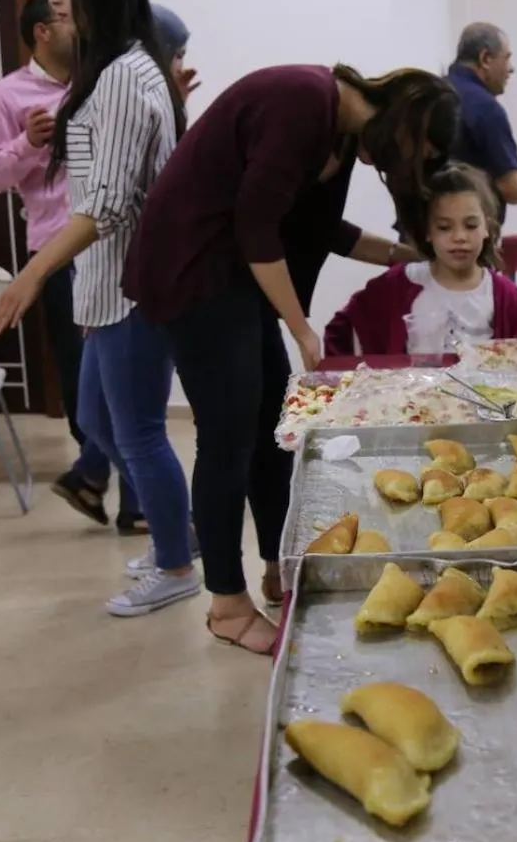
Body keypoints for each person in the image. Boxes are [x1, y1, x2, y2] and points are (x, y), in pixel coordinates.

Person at [123, 64, 459, 655]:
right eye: (412, 153)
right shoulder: (304, 102)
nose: (400, 168)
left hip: (232, 276)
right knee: (227, 439)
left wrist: (406, 256)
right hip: (195, 270)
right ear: (405, 120)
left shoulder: (341, 132)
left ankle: (280, 566)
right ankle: (226, 605)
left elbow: (318, 227)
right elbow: (256, 224)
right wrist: (301, 328)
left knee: (271, 427)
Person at [0, 0, 196, 618]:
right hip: (105, 287)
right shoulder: (115, 74)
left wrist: (32, 274)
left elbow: (105, 204)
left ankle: (174, 564)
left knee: (134, 430)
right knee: (98, 422)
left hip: (132, 286)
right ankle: (177, 528)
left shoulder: (124, 80)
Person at [0, 0, 144, 535]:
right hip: (57, 257)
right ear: (44, 32)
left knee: (123, 381)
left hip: (116, 248)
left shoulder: (105, 80)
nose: (82, 27)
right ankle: (111, 485)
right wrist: (26, 144)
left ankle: (103, 482)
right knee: (83, 388)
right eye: (70, 19)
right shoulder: (7, 95)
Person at [325, 163, 517, 355]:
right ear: (428, 231)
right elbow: (341, 329)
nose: (459, 237)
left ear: (487, 228)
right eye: (444, 227)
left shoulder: (507, 298)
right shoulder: (398, 285)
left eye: (470, 225)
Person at [448, 22, 517, 215]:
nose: (511, 69)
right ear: (485, 59)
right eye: (506, 58)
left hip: (419, 229)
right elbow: (511, 187)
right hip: (465, 230)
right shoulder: (484, 107)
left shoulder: (431, 94)